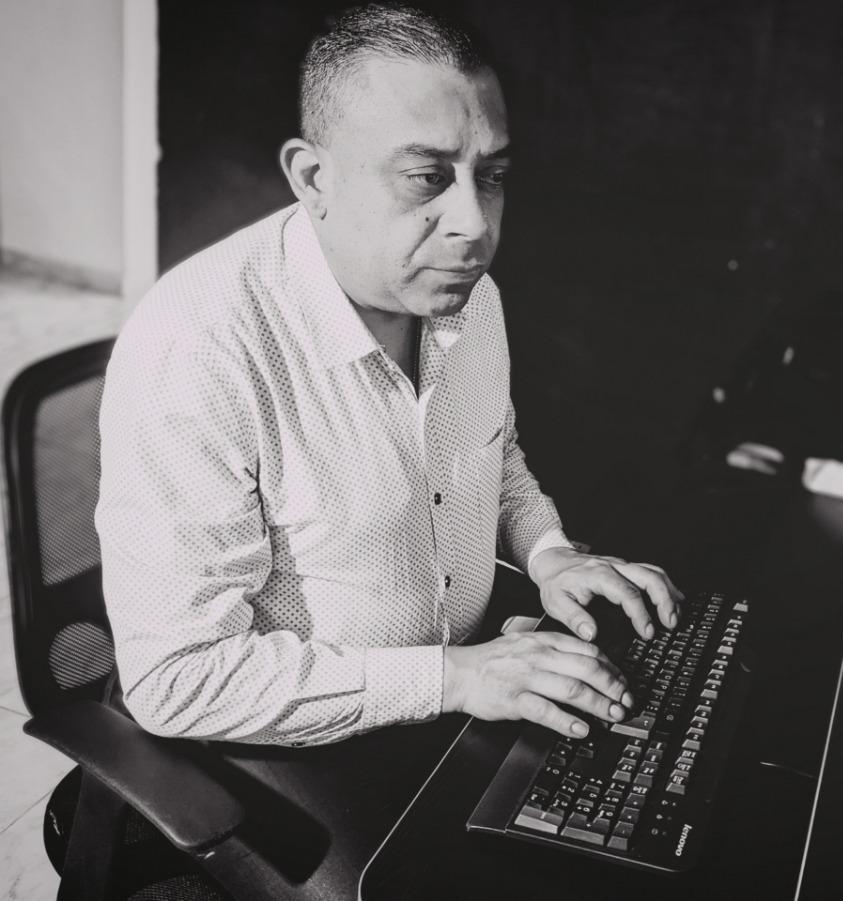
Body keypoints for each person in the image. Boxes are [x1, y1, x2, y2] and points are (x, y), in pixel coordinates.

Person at [96, 3, 681, 747]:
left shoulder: (468, 295)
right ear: (314, 178)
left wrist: (548, 552)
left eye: (491, 176)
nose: (475, 224)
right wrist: (454, 678)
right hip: (291, 749)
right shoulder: (199, 348)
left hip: (458, 699)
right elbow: (177, 681)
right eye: (426, 177)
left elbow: (491, 457)